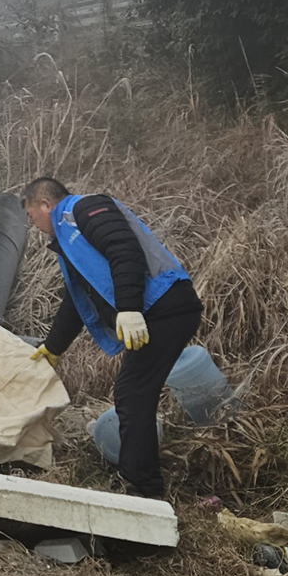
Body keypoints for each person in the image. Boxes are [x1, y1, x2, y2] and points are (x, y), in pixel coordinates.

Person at [21, 178, 199, 499]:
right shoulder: (68, 237)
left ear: (45, 204)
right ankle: (141, 483)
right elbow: (75, 302)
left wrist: (129, 309)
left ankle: (142, 490)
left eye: (32, 216)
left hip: (164, 305)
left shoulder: (84, 208)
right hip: (159, 310)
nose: (34, 226)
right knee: (134, 393)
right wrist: (53, 347)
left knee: (132, 394)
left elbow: (123, 248)